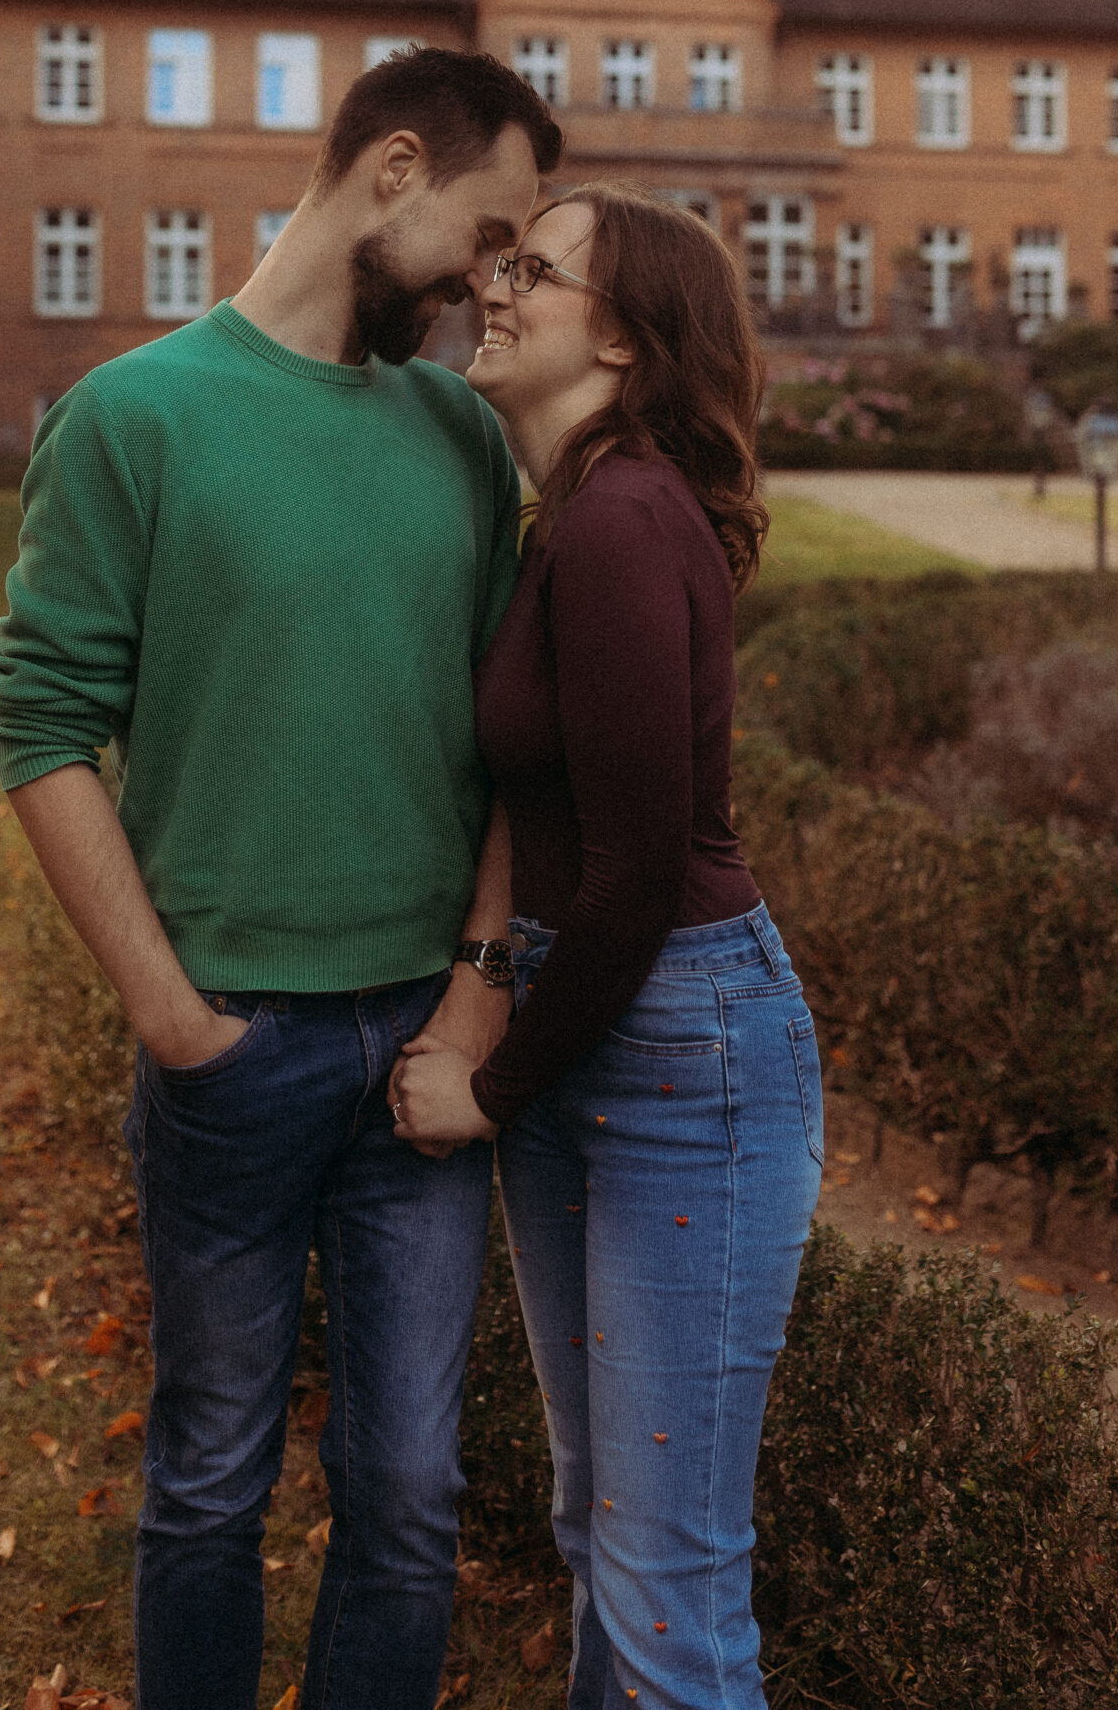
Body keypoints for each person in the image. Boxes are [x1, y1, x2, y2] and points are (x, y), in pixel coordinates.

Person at [0, 47, 562, 1710]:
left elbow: (510, 743)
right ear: (394, 171)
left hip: (423, 1062)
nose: (490, 281)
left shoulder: (463, 436)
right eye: (489, 230)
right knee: (211, 1483)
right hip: (232, 1044)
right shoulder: (134, 418)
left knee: (406, 1500)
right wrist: (169, 1016)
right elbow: (37, 726)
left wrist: (474, 996)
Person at [391, 184, 822, 1710]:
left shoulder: (626, 516)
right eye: (500, 263)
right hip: (600, 1025)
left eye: (534, 272)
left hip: (681, 1049)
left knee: (667, 1579)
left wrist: (493, 1090)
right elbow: (563, 844)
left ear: (625, 340)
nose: (492, 289)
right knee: (605, 1532)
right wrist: (495, 1003)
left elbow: (640, 872)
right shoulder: (574, 509)